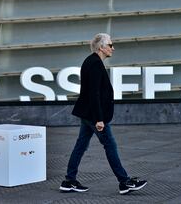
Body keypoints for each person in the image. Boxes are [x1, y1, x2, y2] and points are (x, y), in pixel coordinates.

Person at [59, 33, 147, 195]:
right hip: (94, 116)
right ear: (101, 47)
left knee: (80, 146)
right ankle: (124, 181)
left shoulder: (91, 61)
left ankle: (69, 180)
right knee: (110, 145)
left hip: (87, 114)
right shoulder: (94, 64)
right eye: (110, 45)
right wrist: (99, 119)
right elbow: (94, 94)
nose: (113, 48)